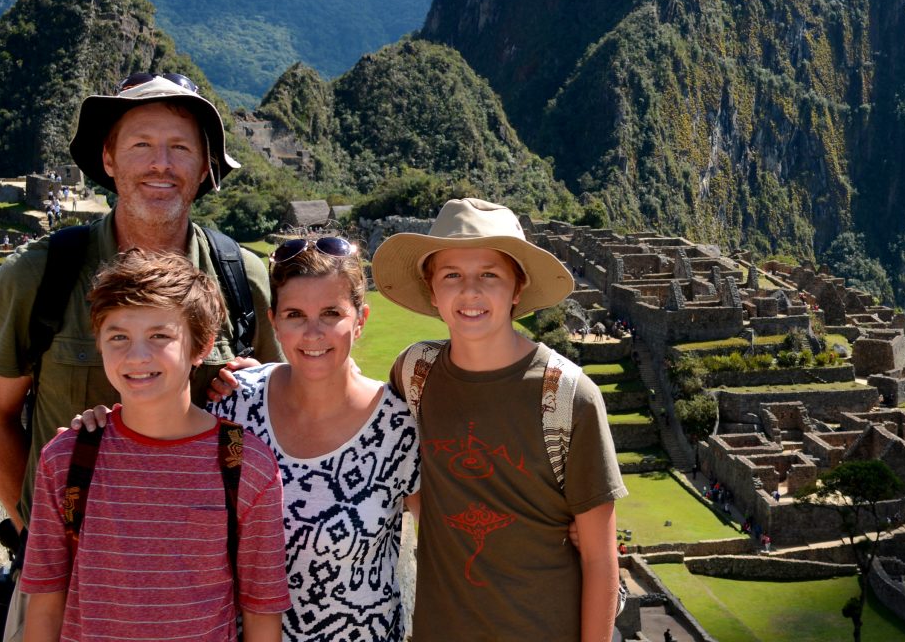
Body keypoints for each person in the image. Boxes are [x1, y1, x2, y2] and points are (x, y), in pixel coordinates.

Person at [0, 73, 281, 636]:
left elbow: (276, 417)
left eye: (181, 147)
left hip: (197, 598)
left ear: (206, 166)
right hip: (62, 590)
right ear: (109, 158)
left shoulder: (242, 279)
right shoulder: (38, 276)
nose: (160, 163)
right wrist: (50, 537)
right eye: (141, 144)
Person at [372, 198, 626, 642]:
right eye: (452, 275)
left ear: (517, 287)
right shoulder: (415, 373)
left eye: (489, 274)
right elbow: (353, 410)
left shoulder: (568, 396)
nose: (470, 292)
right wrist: (253, 380)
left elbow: (601, 559)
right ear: (432, 290)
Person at [20, 249, 290, 642]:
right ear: (99, 341)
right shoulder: (66, 460)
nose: (137, 356)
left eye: (160, 336)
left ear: (202, 347)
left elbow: (261, 610)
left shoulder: (245, 464)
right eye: (118, 337)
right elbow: (46, 601)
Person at [208, 235, 421, 642]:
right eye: (294, 315)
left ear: (360, 319)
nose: (312, 333)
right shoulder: (234, 406)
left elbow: (442, 553)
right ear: (273, 321)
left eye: (330, 313)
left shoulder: (399, 427)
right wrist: (100, 426)